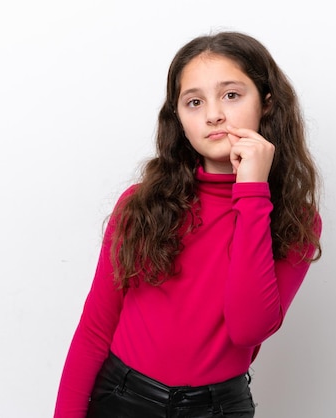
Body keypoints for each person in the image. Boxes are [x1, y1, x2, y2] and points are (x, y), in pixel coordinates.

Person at [53, 30, 322, 418]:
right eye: (194, 102)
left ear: (266, 103)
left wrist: (252, 192)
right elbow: (95, 329)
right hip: (122, 399)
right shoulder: (141, 205)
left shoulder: (294, 220)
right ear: (178, 118)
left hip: (218, 408)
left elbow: (247, 328)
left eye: (231, 95)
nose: (213, 114)